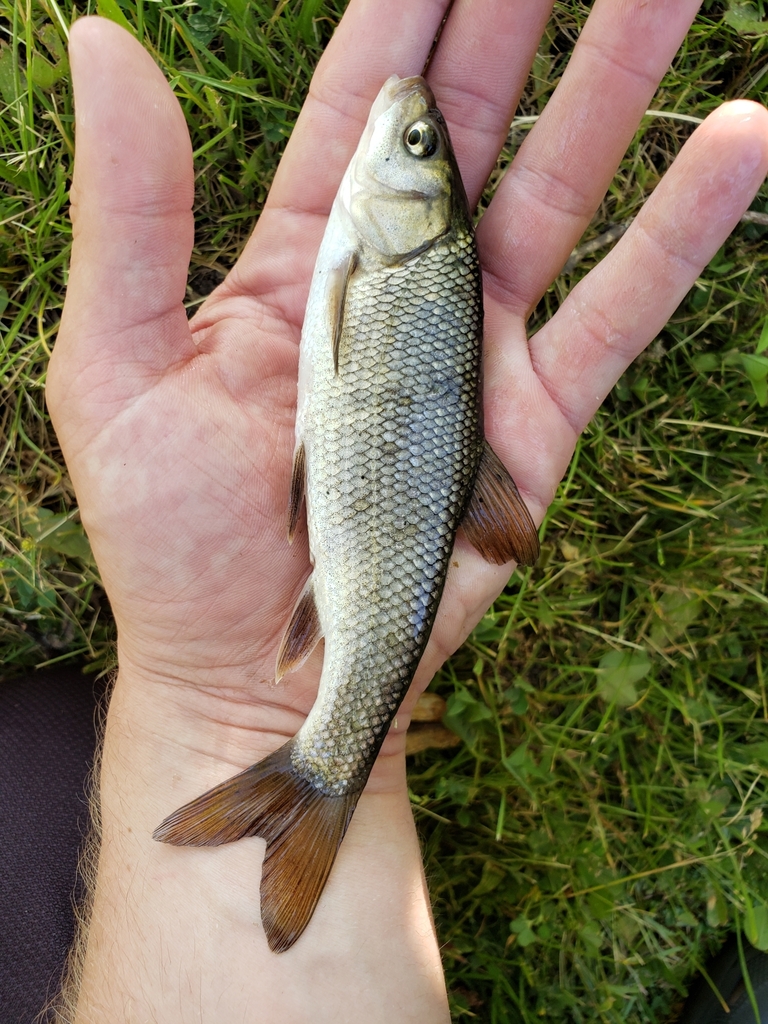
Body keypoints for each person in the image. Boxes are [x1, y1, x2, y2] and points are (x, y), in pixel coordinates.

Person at [40, 0, 768, 1020]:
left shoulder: (393, 255)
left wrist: (205, 711)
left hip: (387, 508)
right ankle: (314, 782)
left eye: (414, 144)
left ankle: (316, 777)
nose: (402, 126)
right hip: (380, 502)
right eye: (419, 145)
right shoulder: (402, 253)